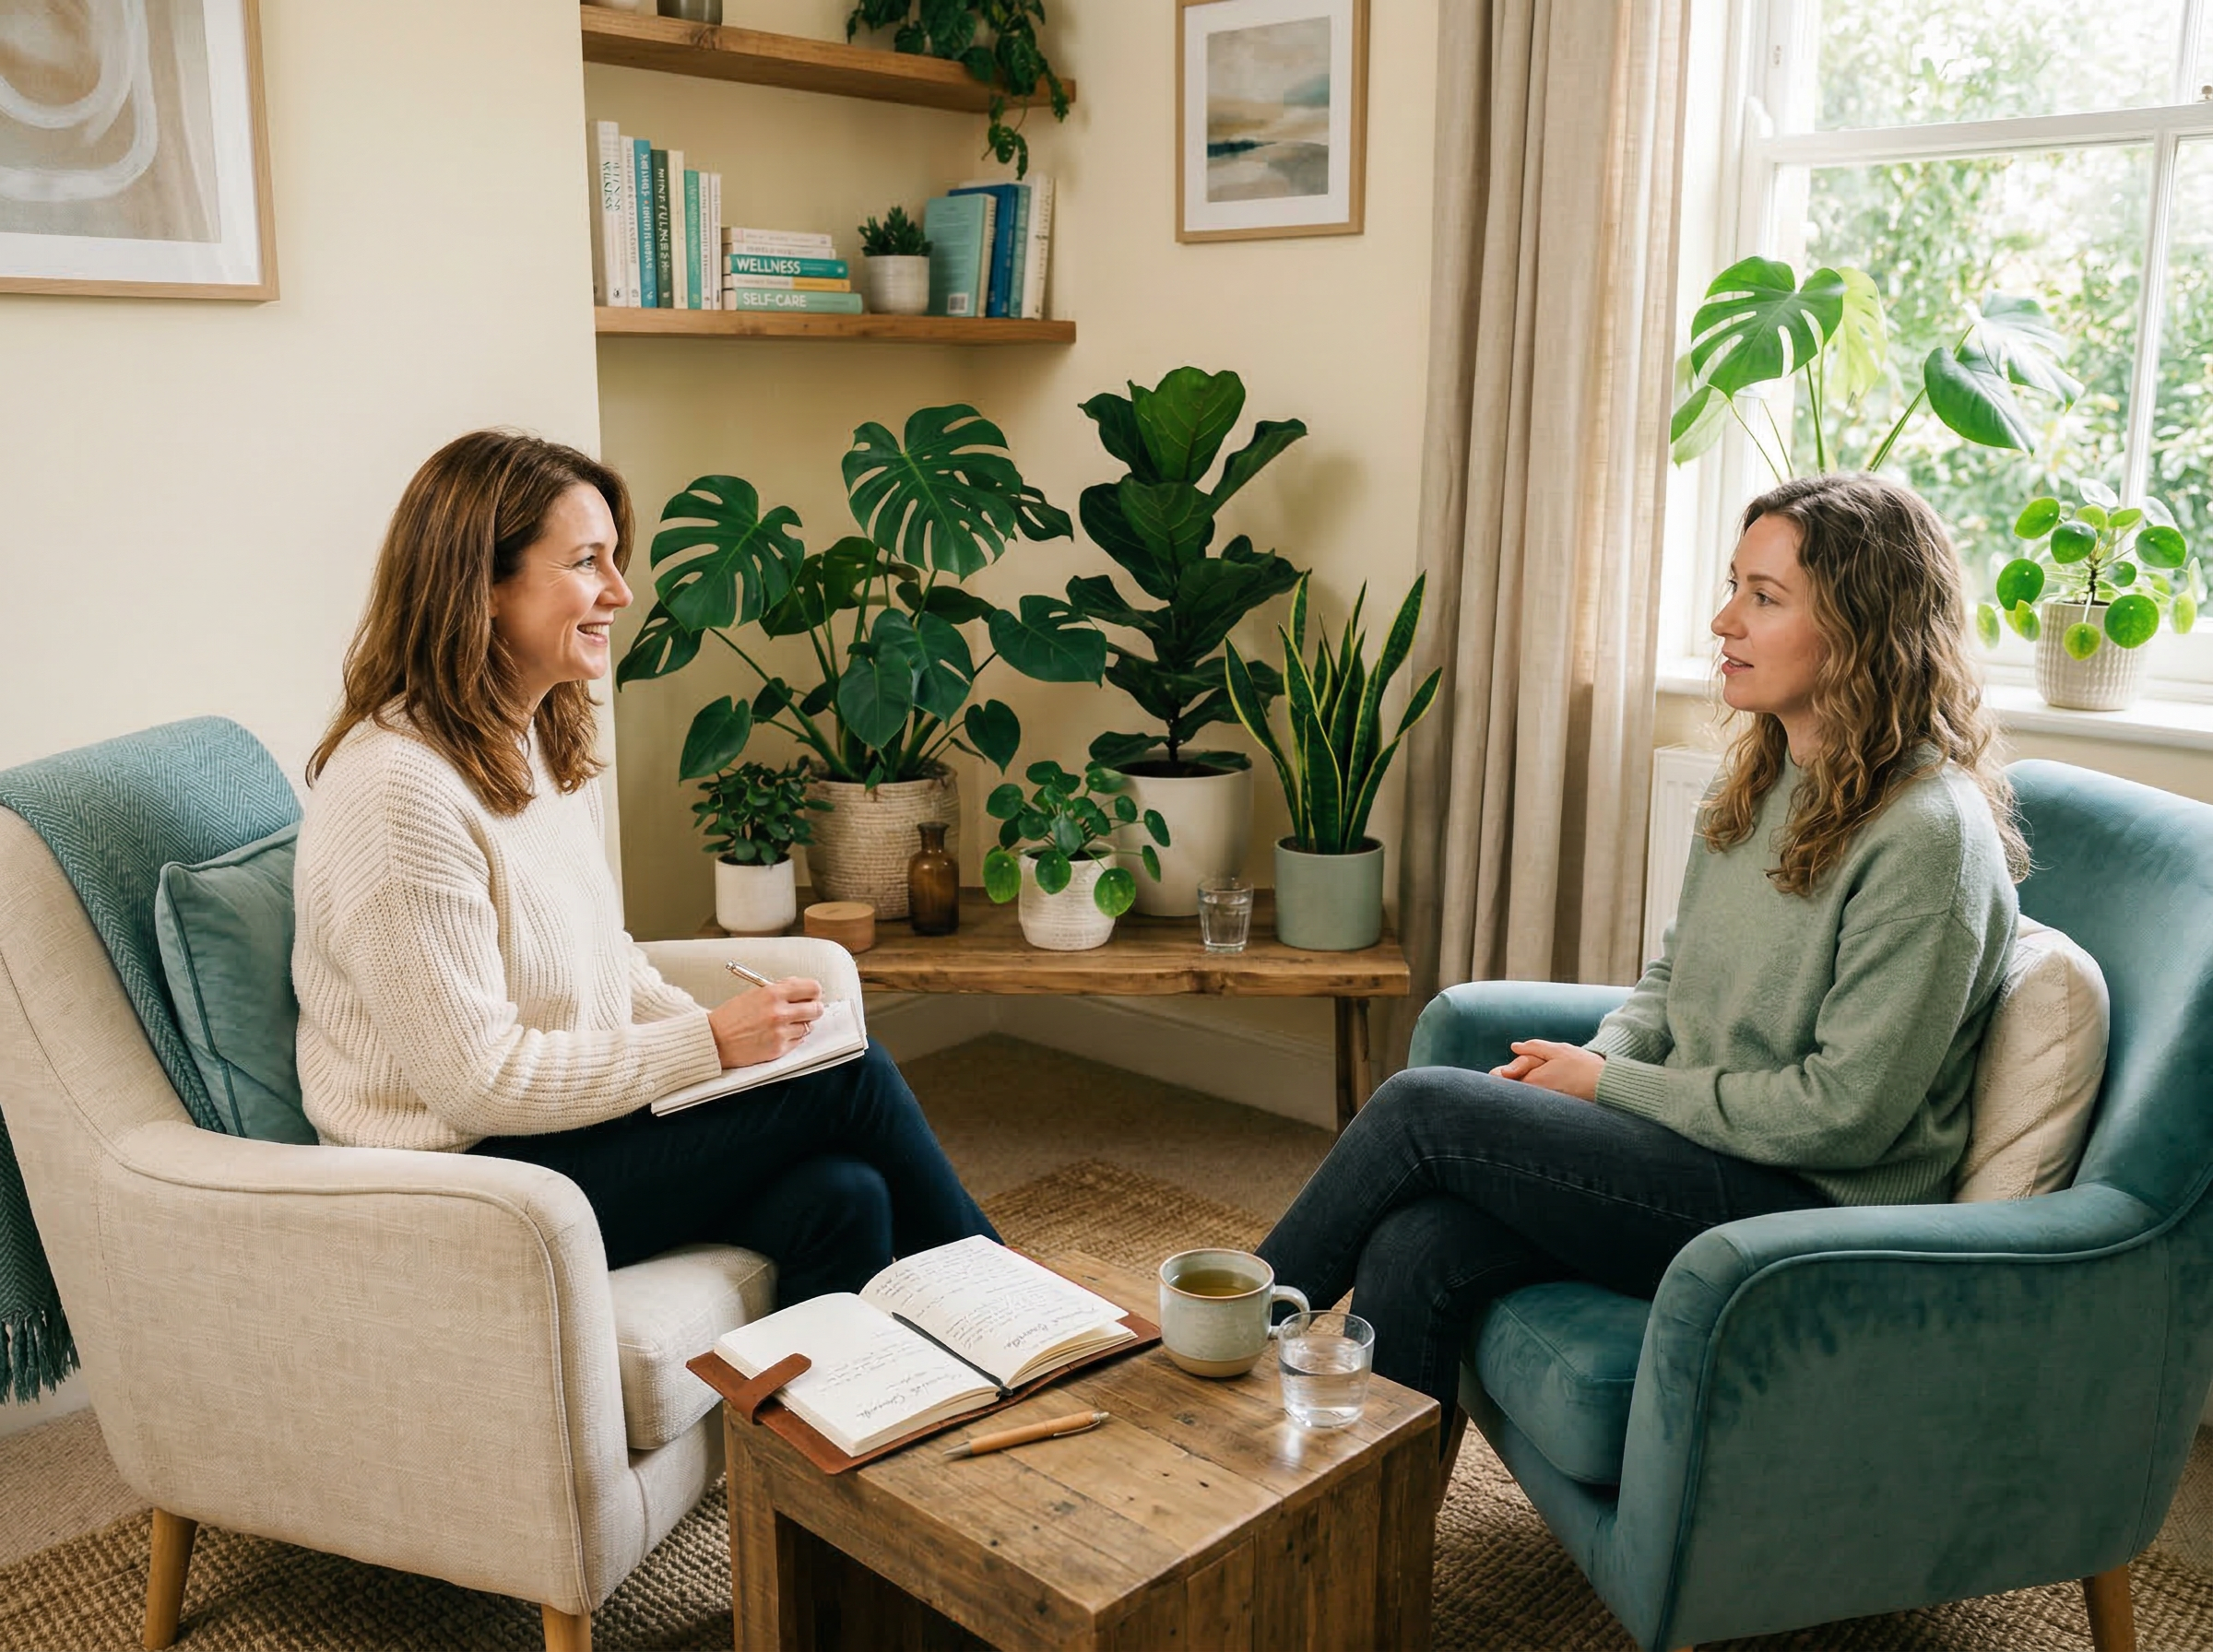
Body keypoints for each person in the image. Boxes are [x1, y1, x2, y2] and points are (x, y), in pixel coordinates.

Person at [1259, 471, 2024, 1431]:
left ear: (1867, 630)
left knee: (1424, 1106)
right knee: (1418, 1243)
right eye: (1734, 585)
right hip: (1701, 1156)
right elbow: (1670, 984)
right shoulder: (1758, 777)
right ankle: (1373, 1560)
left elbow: (1845, 1117)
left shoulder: (1928, 834)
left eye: (1763, 597)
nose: (1722, 621)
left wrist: (1604, 1087)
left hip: (1808, 1215)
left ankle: (1222, 1330)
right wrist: (1605, 1059)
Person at [293, 429, 996, 1304]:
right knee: (849, 1077)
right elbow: (476, 1083)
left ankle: (858, 1422)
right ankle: (1020, 1307)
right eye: (588, 562)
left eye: (614, 560)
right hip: (462, 1184)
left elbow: (604, 959)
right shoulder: (397, 791)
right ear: (480, 587)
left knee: (841, 1196)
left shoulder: (536, 738)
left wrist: (742, 1045)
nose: (621, 593)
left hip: (561, 1139)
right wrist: (708, 1044)